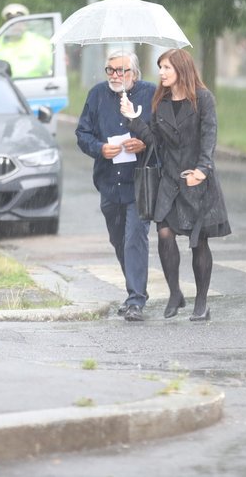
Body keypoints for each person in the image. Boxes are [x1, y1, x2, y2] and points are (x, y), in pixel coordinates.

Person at [120, 48, 230, 321]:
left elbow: (209, 136)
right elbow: (154, 140)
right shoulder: (162, 101)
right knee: (165, 233)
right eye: (160, 68)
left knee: (198, 241)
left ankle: (201, 303)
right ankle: (175, 292)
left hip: (197, 180)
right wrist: (133, 118)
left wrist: (202, 169)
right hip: (170, 181)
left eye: (167, 67)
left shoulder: (203, 99)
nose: (162, 73)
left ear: (182, 69)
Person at [76, 50, 155, 322]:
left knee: (135, 237)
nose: (114, 76)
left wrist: (144, 141)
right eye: (110, 70)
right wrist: (100, 148)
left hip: (140, 179)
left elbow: (163, 133)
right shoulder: (97, 95)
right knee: (119, 238)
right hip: (109, 181)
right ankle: (134, 290)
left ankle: (136, 299)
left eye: (121, 70)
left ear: (134, 72)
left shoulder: (151, 94)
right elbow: (82, 133)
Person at [0, 3, 54, 78]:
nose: (16, 25)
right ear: (6, 24)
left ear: (25, 23)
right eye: (12, 22)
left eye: (19, 21)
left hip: (34, 87)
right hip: (4, 87)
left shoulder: (40, 43)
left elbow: (53, 67)